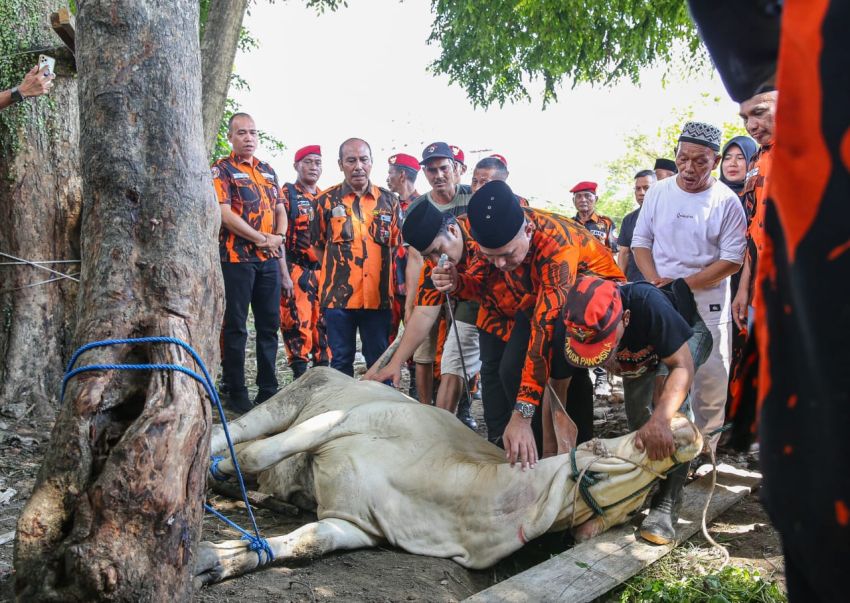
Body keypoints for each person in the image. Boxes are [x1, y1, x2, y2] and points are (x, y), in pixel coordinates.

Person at [688, 1, 850, 599]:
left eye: (762, 104)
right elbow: (766, 246)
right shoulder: (765, 176)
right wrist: (752, 295)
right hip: (796, 317)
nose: (754, 120)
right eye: (748, 113)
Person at [432, 181, 625, 467]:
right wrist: (459, 283)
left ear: (529, 231)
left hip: (589, 304)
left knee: (563, 370)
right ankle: (533, 452)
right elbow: (485, 285)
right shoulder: (490, 241)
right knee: (510, 370)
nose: (499, 264)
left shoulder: (556, 246)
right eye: (490, 256)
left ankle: (579, 452)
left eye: (507, 255)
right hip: (534, 302)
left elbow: (544, 331)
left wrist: (522, 414)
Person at [562, 276, 712, 544]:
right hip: (640, 353)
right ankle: (633, 493)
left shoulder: (648, 304)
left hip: (682, 342)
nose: (601, 350)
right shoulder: (578, 314)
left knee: (669, 416)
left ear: (626, 319)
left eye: (604, 341)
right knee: (641, 428)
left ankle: (667, 503)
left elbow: (682, 366)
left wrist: (662, 418)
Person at [631, 121, 747, 451]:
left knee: (710, 382)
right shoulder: (658, 193)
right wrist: (655, 282)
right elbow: (641, 242)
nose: (689, 168)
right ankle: (667, 449)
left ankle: (705, 451)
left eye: (700, 161)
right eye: (683, 159)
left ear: (716, 159)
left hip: (708, 304)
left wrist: (683, 284)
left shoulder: (726, 201)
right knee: (665, 377)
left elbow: (732, 260)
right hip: (664, 300)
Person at [212, 112, 285, 413]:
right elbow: (224, 213)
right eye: (241, 133)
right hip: (236, 259)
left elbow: (281, 207)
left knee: (269, 325)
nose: (249, 138)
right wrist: (259, 237)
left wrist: (277, 237)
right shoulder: (222, 169)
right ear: (230, 137)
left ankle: (268, 388)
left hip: (268, 259)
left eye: (253, 132)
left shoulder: (267, 170)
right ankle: (235, 389)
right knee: (236, 327)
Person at [315, 138, 400, 377]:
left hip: (377, 297)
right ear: (341, 164)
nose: (358, 166)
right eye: (351, 160)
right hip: (338, 299)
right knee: (341, 362)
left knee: (378, 360)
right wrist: (340, 272)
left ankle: (381, 411)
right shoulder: (325, 201)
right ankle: (342, 413)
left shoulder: (389, 201)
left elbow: (395, 246)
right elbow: (317, 246)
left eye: (363, 159)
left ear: (372, 162)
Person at [279, 144, 329, 380]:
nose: (313, 167)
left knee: (324, 326)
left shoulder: (326, 198)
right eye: (308, 162)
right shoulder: (287, 194)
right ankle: (299, 377)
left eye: (317, 162)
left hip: (322, 271)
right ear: (296, 165)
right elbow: (278, 235)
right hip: (296, 268)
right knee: (296, 324)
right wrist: (283, 274)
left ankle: (323, 378)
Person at [731, 91, 778, 332]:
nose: (751, 126)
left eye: (759, 113)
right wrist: (743, 290)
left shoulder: (820, 148)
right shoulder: (756, 161)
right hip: (758, 297)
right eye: (744, 118)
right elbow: (753, 231)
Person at [386, 152, 421, 396]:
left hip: (414, 288)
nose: (387, 179)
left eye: (390, 174)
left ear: (401, 175)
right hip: (389, 287)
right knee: (386, 342)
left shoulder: (425, 205)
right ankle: (388, 392)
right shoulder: (388, 204)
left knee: (417, 346)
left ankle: (419, 394)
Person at [617, 169, 656, 282]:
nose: (641, 192)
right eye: (638, 189)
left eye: (646, 188)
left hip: (662, 283)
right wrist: (620, 280)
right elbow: (624, 253)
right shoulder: (628, 219)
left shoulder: (668, 215)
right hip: (634, 283)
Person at [570, 181, 618, 253]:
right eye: (578, 196)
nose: (583, 200)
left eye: (587, 196)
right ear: (573, 201)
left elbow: (614, 251)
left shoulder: (607, 223)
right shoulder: (568, 224)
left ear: (596, 199)